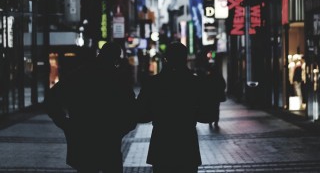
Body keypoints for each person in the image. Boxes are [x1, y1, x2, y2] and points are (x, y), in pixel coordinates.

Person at [44, 42, 137, 173]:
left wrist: (64, 123)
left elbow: (51, 99)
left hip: (83, 137)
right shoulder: (118, 79)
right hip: (109, 139)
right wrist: (121, 129)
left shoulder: (79, 75)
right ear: (116, 58)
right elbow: (131, 109)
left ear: (100, 54)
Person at [136, 41, 202, 173]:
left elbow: (141, 113)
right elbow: (204, 114)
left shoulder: (153, 83)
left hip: (162, 140)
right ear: (185, 58)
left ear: (166, 58)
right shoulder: (195, 82)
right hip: (186, 141)